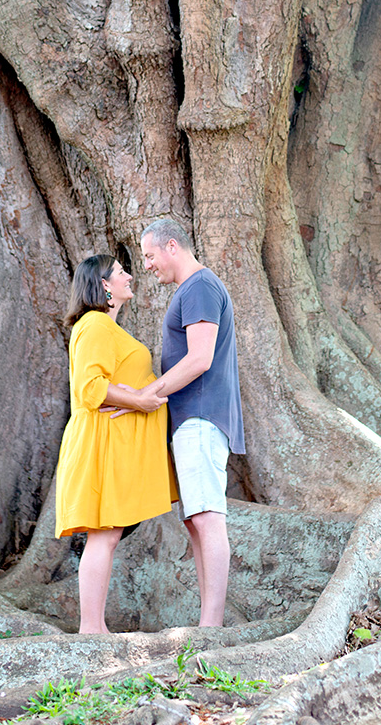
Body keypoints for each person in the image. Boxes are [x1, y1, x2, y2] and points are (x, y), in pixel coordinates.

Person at [54, 253, 176, 634]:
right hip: (100, 445)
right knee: (103, 537)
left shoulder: (106, 327)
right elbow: (89, 387)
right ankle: (92, 629)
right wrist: (139, 400)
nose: (129, 276)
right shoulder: (93, 325)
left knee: (106, 537)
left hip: (113, 446)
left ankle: (95, 627)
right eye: (121, 272)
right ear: (104, 284)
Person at [139, 218, 244, 627]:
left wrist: (150, 395)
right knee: (196, 518)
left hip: (200, 416)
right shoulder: (194, 288)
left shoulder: (199, 286)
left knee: (206, 516)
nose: (147, 265)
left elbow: (200, 359)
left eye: (149, 256)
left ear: (171, 246)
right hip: (191, 419)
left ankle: (211, 627)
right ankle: (208, 620)